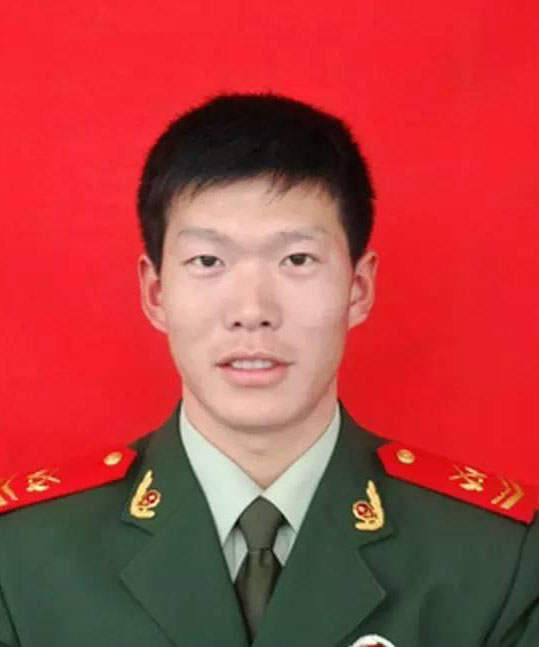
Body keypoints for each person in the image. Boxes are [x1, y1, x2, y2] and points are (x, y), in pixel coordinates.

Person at [0, 92, 537, 647]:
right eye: (208, 261)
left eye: (297, 260)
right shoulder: (20, 557)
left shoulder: (499, 559)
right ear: (156, 293)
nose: (252, 310)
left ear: (358, 288)